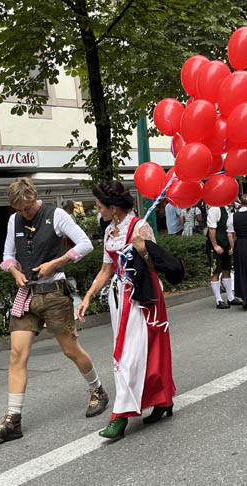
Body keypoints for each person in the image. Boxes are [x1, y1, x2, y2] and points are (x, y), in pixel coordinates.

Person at [0, 177, 106, 443]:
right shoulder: (14, 220)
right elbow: (6, 256)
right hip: (26, 294)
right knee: (17, 355)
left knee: (70, 350)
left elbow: (85, 244)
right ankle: (12, 420)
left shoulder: (56, 215)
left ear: (35, 196)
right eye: (19, 209)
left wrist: (57, 262)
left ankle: (98, 390)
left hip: (53, 292)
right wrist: (15, 271)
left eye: (27, 207)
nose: (24, 212)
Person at [77, 181, 176, 439]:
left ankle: (120, 416)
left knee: (130, 355)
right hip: (119, 297)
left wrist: (142, 249)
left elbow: (156, 265)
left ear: (113, 207)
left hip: (143, 297)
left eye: (100, 206)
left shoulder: (140, 227)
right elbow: (106, 269)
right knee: (136, 353)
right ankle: (163, 400)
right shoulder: (110, 232)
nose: (97, 210)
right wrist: (88, 295)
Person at [207, 204, 241, 309]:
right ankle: (218, 300)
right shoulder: (215, 209)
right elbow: (211, 229)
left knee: (227, 270)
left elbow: (231, 230)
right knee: (216, 271)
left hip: (226, 245)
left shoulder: (231, 210)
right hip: (216, 246)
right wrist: (215, 245)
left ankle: (230, 298)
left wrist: (231, 246)